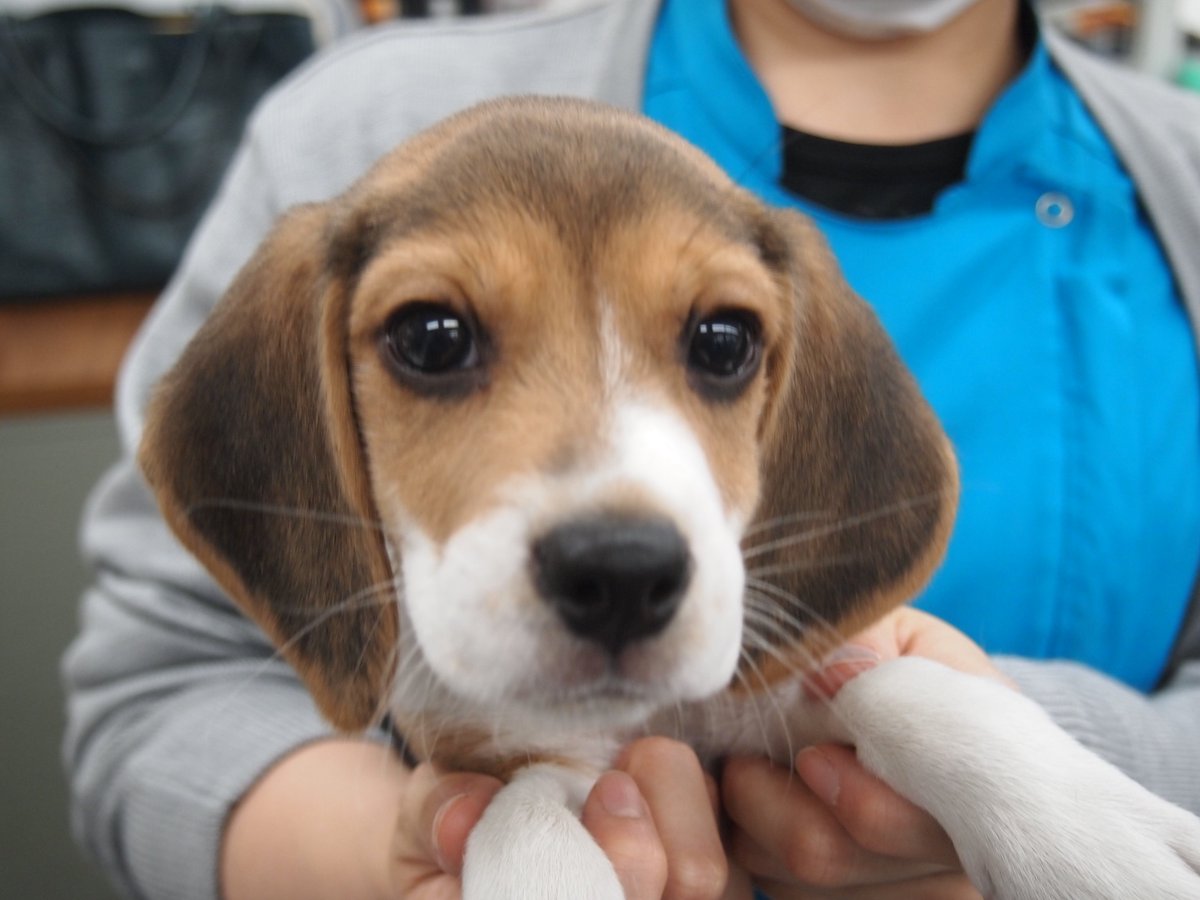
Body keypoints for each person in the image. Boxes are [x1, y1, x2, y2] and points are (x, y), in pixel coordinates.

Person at [63, 0, 1200, 898]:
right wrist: (403, 851)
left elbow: (829, 681)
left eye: (718, 342)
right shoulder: (362, 120)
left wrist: (1009, 765)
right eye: (435, 338)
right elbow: (157, 698)